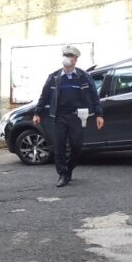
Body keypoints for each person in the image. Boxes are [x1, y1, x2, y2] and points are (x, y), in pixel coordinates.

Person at [33, 45, 104, 187]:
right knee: (58, 146)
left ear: (75, 60)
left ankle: (69, 169)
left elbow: (94, 96)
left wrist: (99, 115)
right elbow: (44, 96)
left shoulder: (84, 77)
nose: (67, 58)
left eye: (70, 56)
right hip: (59, 116)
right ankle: (62, 174)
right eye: (65, 55)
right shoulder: (53, 77)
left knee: (77, 146)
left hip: (77, 117)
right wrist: (37, 113)